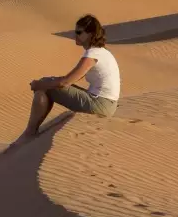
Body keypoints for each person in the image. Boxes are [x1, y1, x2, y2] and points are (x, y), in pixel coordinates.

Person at [10, 14, 120, 148]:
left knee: (45, 86)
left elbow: (64, 83)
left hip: (99, 105)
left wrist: (40, 84)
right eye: (75, 32)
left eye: (79, 32)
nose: (76, 36)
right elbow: (71, 79)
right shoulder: (101, 52)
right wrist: (51, 81)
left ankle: (29, 133)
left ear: (90, 34)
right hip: (106, 105)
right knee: (49, 83)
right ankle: (32, 131)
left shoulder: (93, 54)